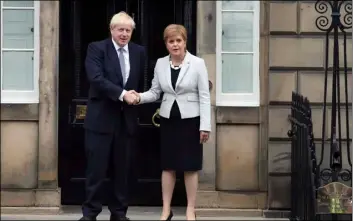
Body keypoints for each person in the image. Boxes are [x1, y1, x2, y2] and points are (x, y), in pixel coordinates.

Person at [132, 24, 211, 220]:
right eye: (171, 41)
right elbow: (155, 92)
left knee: (190, 167)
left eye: (178, 41)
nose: (175, 45)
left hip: (191, 121)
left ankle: (190, 209)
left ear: (185, 42)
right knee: (168, 166)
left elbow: (204, 96)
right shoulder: (160, 64)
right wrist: (139, 97)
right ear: (166, 44)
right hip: (168, 121)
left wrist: (205, 126)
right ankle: (166, 209)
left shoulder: (198, 63)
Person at [79, 11, 145, 221]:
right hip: (100, 120)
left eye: (128, 30)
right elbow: (96, 79)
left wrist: (137, 97)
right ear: (112, 30)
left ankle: (119, 213)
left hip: (126, 122)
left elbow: (141, 81)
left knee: (122, 172)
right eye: (120, 30)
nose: (124, 34)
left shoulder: (139, 52)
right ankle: (90, 214)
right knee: (96, 171)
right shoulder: (97, 48)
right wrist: (123, 94)